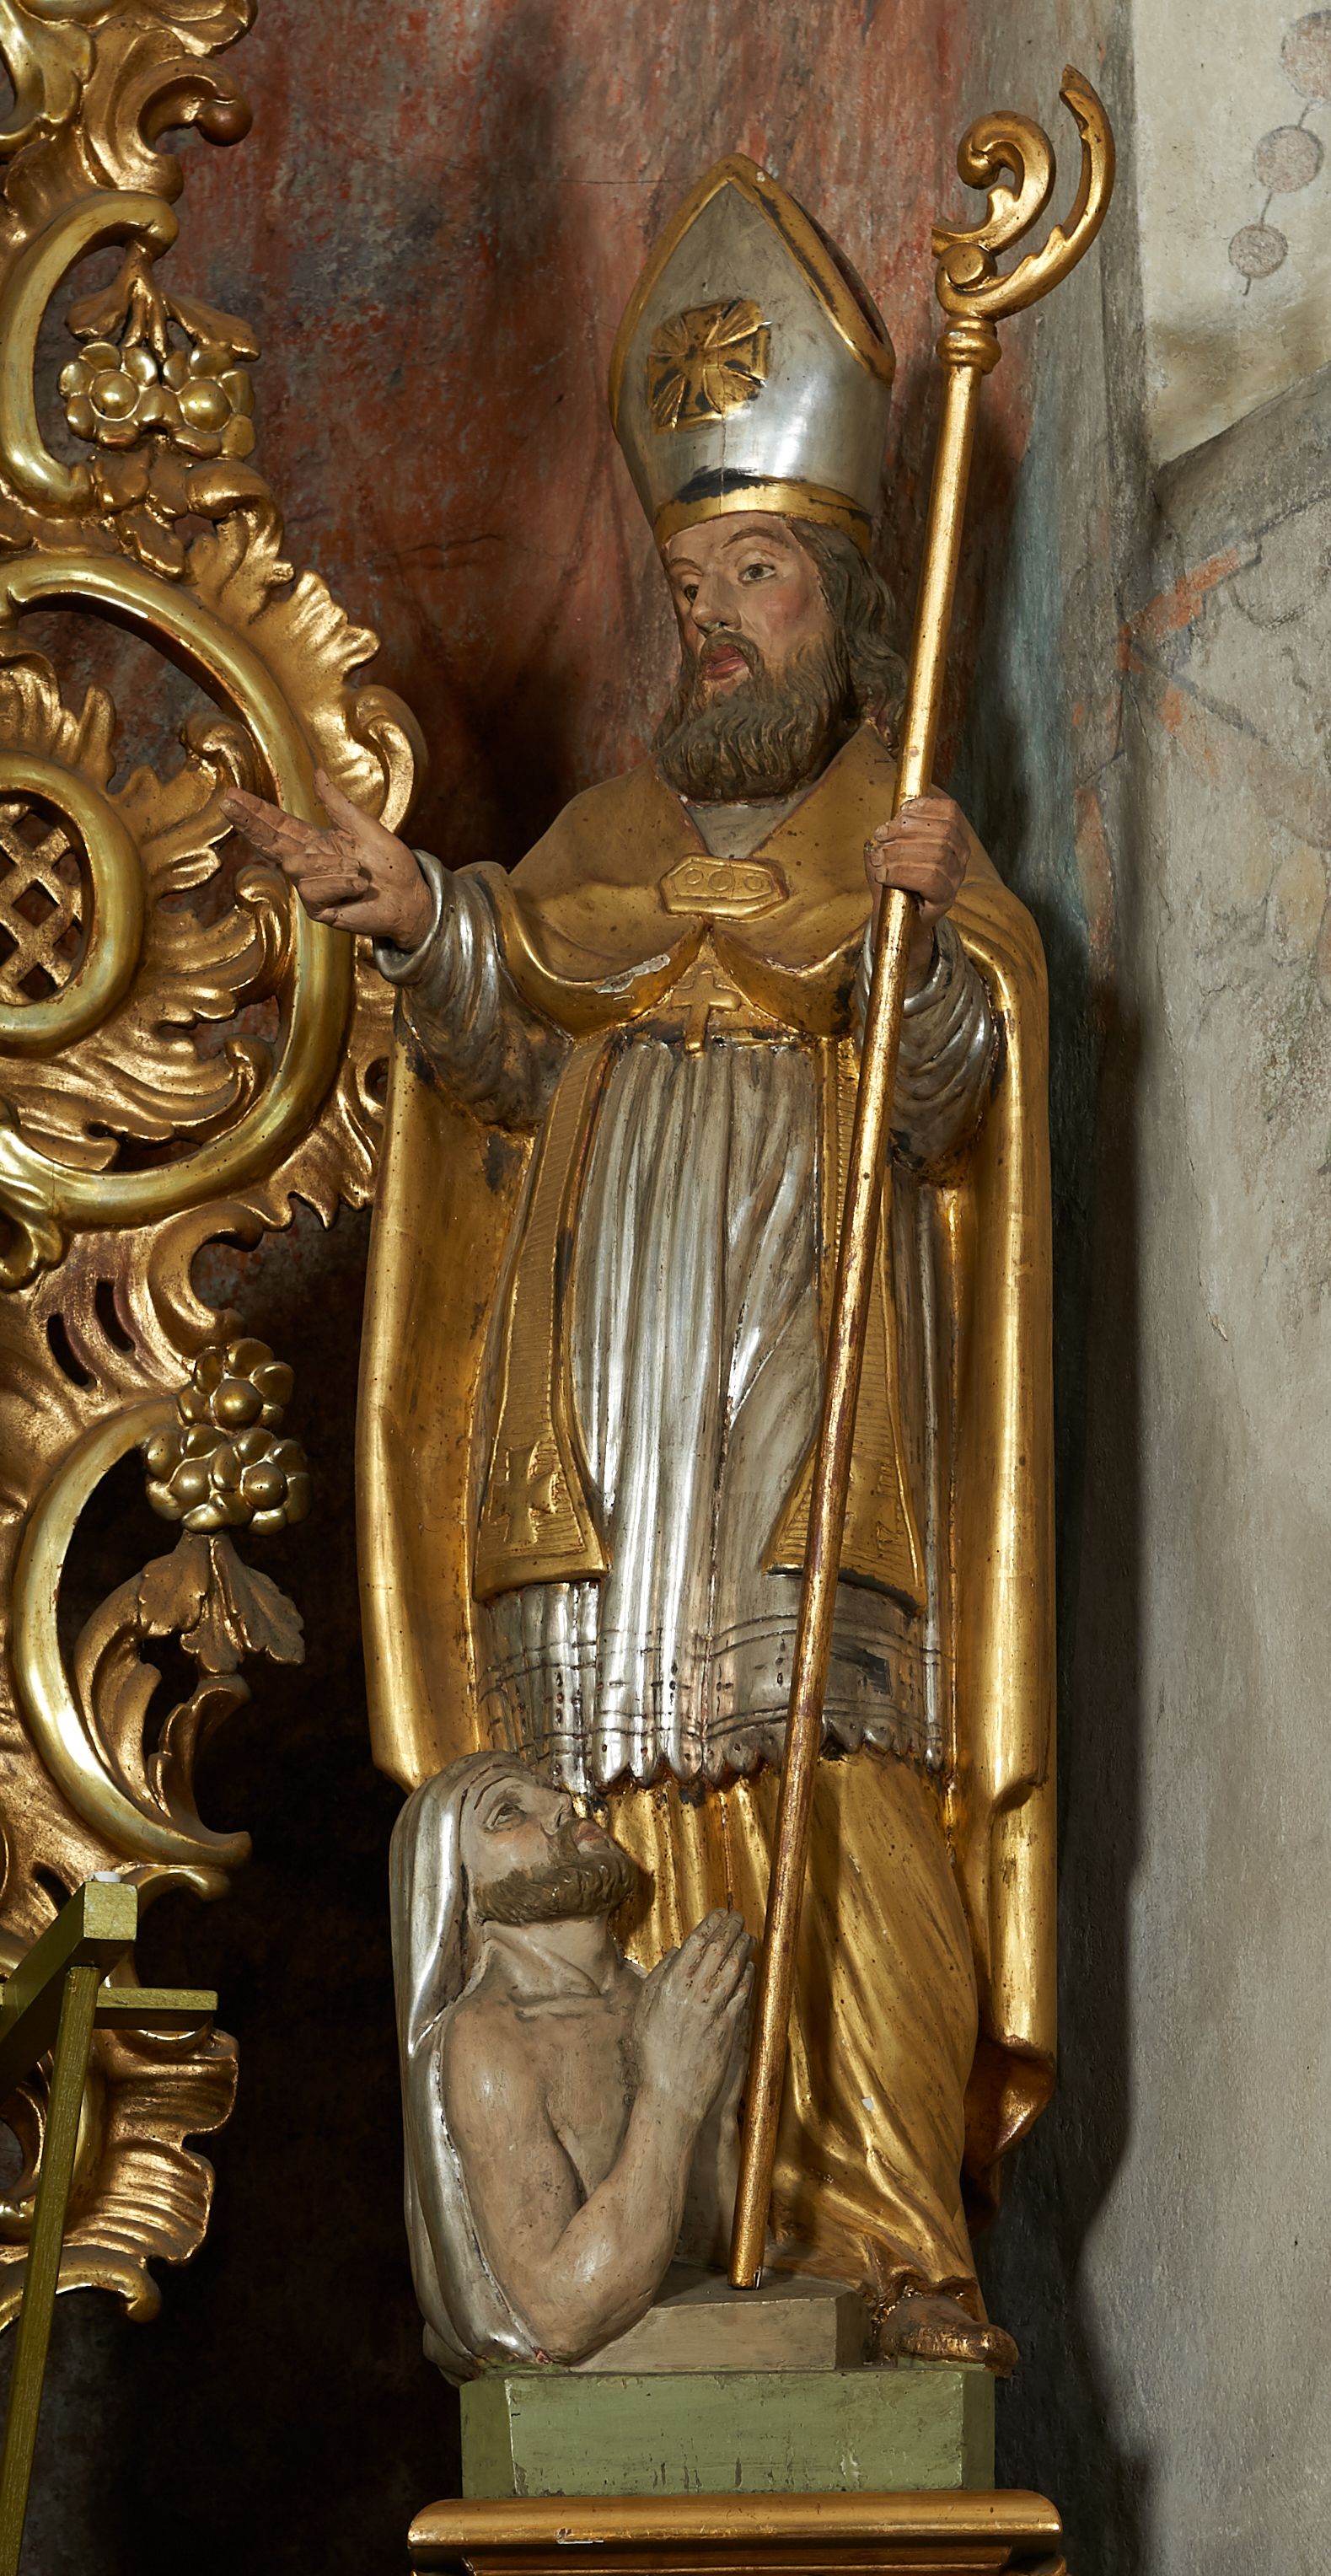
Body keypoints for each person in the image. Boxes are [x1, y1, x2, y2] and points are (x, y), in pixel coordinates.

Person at [223, 156, 1054, 2371]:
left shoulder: (900, 840)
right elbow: (507, 1027)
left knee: (838, 1790)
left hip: (804, 1405)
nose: (716, 621)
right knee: (613, 1817)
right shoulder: (599, 840)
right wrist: (420, 920)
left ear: (843, 599)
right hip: (595, 1432)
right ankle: (663, 2263)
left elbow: (960, 1094)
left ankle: (887, 2241)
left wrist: (928, 948)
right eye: (690, 583)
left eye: (755, 574)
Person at [389, 1751, 750, 2377]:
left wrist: (714, 2099)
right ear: (463, 1888)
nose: (562, 1806)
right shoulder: (490, 2040)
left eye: (550, 1793)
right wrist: (671, 2095)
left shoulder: (661, 2002)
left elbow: (713, 2242)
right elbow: (558, 2316)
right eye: (508, 1814)